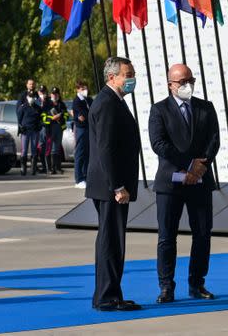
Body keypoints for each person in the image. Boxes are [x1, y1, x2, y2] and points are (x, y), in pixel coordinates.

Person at [148, 64, 220, 304]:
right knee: (167, 237)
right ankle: (166, 286)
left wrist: (200, 166)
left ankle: (197, 283)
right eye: (182, 81)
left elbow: (214, 140)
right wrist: (188, 164)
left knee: (202, 234)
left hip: (200, 181)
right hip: (170, 183)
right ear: (170, 84)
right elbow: (159, 144)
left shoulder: (205, 107)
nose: (187, 85)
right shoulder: (159, 110)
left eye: (191, 79)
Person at [86, 57, 141, 311]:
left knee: (114, 240)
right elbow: (105, 150)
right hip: (111, 188)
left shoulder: (115, 101)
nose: (132, 78)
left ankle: (111, 293)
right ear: (112, 77)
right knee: (110, 240)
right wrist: (117, 186)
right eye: (127, 74)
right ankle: (106, 297)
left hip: (113, 186)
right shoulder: (107, 103)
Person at [41, 87, 68, 175]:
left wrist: (61, 117)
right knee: (49, 149)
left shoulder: (61, 104)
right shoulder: (47, 104)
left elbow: (67, 115)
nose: (54, 95)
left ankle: (58, 168)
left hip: (59, 128)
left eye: (56, 94)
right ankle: (50, 168)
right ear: (50, 94)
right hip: (49, 128)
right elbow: (43, 117)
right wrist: (52, 118)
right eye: (53, 94)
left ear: (58, 95)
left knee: (57, 148)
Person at [72, 80, 93, 189]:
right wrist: (88, 116)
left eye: (85, 88)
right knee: (80, 154)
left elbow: (93, 112)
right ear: (77, 89)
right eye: (82, 89)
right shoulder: (77, 101)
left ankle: (86, 177)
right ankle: (79, 179)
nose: (85, 90)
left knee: (87, 154)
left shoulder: (88, 99)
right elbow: (82, 116)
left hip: (89, 128)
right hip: (81, 129)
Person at [16, 91, 42, 175]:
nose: (31, 98)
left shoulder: (37, 108)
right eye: (30, 97)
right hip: (25, 131)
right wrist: (20, 127)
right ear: (27, 98)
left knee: (34, 150)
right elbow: (19, 118)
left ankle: (33, 169)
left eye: (33, 97)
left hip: (34, 130)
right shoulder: (23, 107)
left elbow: (40, 119)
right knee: (24, 150)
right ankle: (23, 169)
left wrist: (39, 126)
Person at [35, 85, 50, 174]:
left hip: (45, 127)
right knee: (38, 148)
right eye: (41, 92)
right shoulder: (36, 102)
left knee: (44, 148)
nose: (42, 94)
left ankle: (46, 167)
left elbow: (50, 113)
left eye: (43, 92)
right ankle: (36, 166)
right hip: (37, 127)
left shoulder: (48, 102)